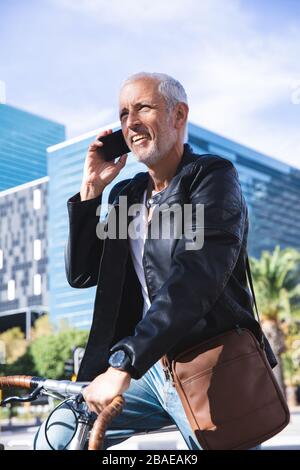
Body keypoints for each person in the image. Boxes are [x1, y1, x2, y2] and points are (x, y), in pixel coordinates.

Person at [36, 72, 277, 450]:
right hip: (143, 373)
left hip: (205, 366)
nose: (130, 123)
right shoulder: (126, 195)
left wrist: (124, 362)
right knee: (58, 434)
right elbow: (84, 274)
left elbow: (195, 278)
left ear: (178, 115)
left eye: (142, 108)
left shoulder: (211, 177)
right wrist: (90, 191)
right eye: (122, 114)